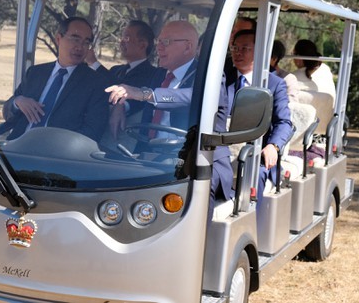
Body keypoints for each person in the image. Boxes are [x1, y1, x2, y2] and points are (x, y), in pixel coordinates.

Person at [105, 20, 233, 218]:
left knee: (196, 201)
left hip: (197, 161)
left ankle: (196, 248)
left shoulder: (210, 76)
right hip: (151, 156)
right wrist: (120, 106)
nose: (159, 47)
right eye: (158, 41)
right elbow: (137, 100)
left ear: (188, 46)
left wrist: (144, 94)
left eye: (166, 41)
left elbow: (190, 97)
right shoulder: (158, 74)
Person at [0, 17, 110, 142]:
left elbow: (92, 132)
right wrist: (17, 102)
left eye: (86, 42)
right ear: (59, 39)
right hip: (17, 146)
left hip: (57, 155)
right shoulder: (35, 73)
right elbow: (8, 113)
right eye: (75, 39)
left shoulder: (95, 83)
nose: (80, 47)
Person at [228, 29, 293, 209]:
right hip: (220, 150)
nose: (237, 52)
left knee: (254, 175)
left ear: (260, 53)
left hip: (254, 154)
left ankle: (250, 228)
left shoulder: (274, 84)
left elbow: (284, 122)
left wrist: (273, 145)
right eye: (235, 47)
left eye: (245, 48)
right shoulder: (221, 78)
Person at [86, 20, 163, 140]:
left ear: (142, 45)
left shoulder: (153, 74)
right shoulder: (115, 69)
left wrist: (94, 63)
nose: (121, 42)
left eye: (126, 38)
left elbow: (132, 93)